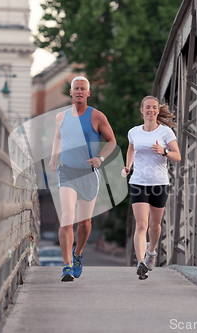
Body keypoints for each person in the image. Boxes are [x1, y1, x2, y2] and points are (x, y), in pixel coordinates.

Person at [49, 76, 116, 282]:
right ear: (71, 92)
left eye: (82, 89)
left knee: (85, 224)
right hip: (67, 172)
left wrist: (100, 158)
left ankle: (78, 254)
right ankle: (67, 265)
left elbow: (112, 141)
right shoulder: (61, 117)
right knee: (67, 218)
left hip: (88, 174)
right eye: (76, 88)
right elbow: (58, 137)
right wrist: (54, 157)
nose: (79, 91)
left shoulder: (97, 116)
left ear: (88, 93)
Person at [122, 96, 181, 280]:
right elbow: (131, 149)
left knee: (155, 226)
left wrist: (163, 151)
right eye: (147, 107)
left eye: (154, 108)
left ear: (157, 110)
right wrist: (128, 165)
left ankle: (151, 253)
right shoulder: (134, 132)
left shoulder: (166, 132)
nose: (151, 110)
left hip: (159, 183)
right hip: (139, 182)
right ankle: (141, 262)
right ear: (142, 110)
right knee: (141, 225)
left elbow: (178, 156)